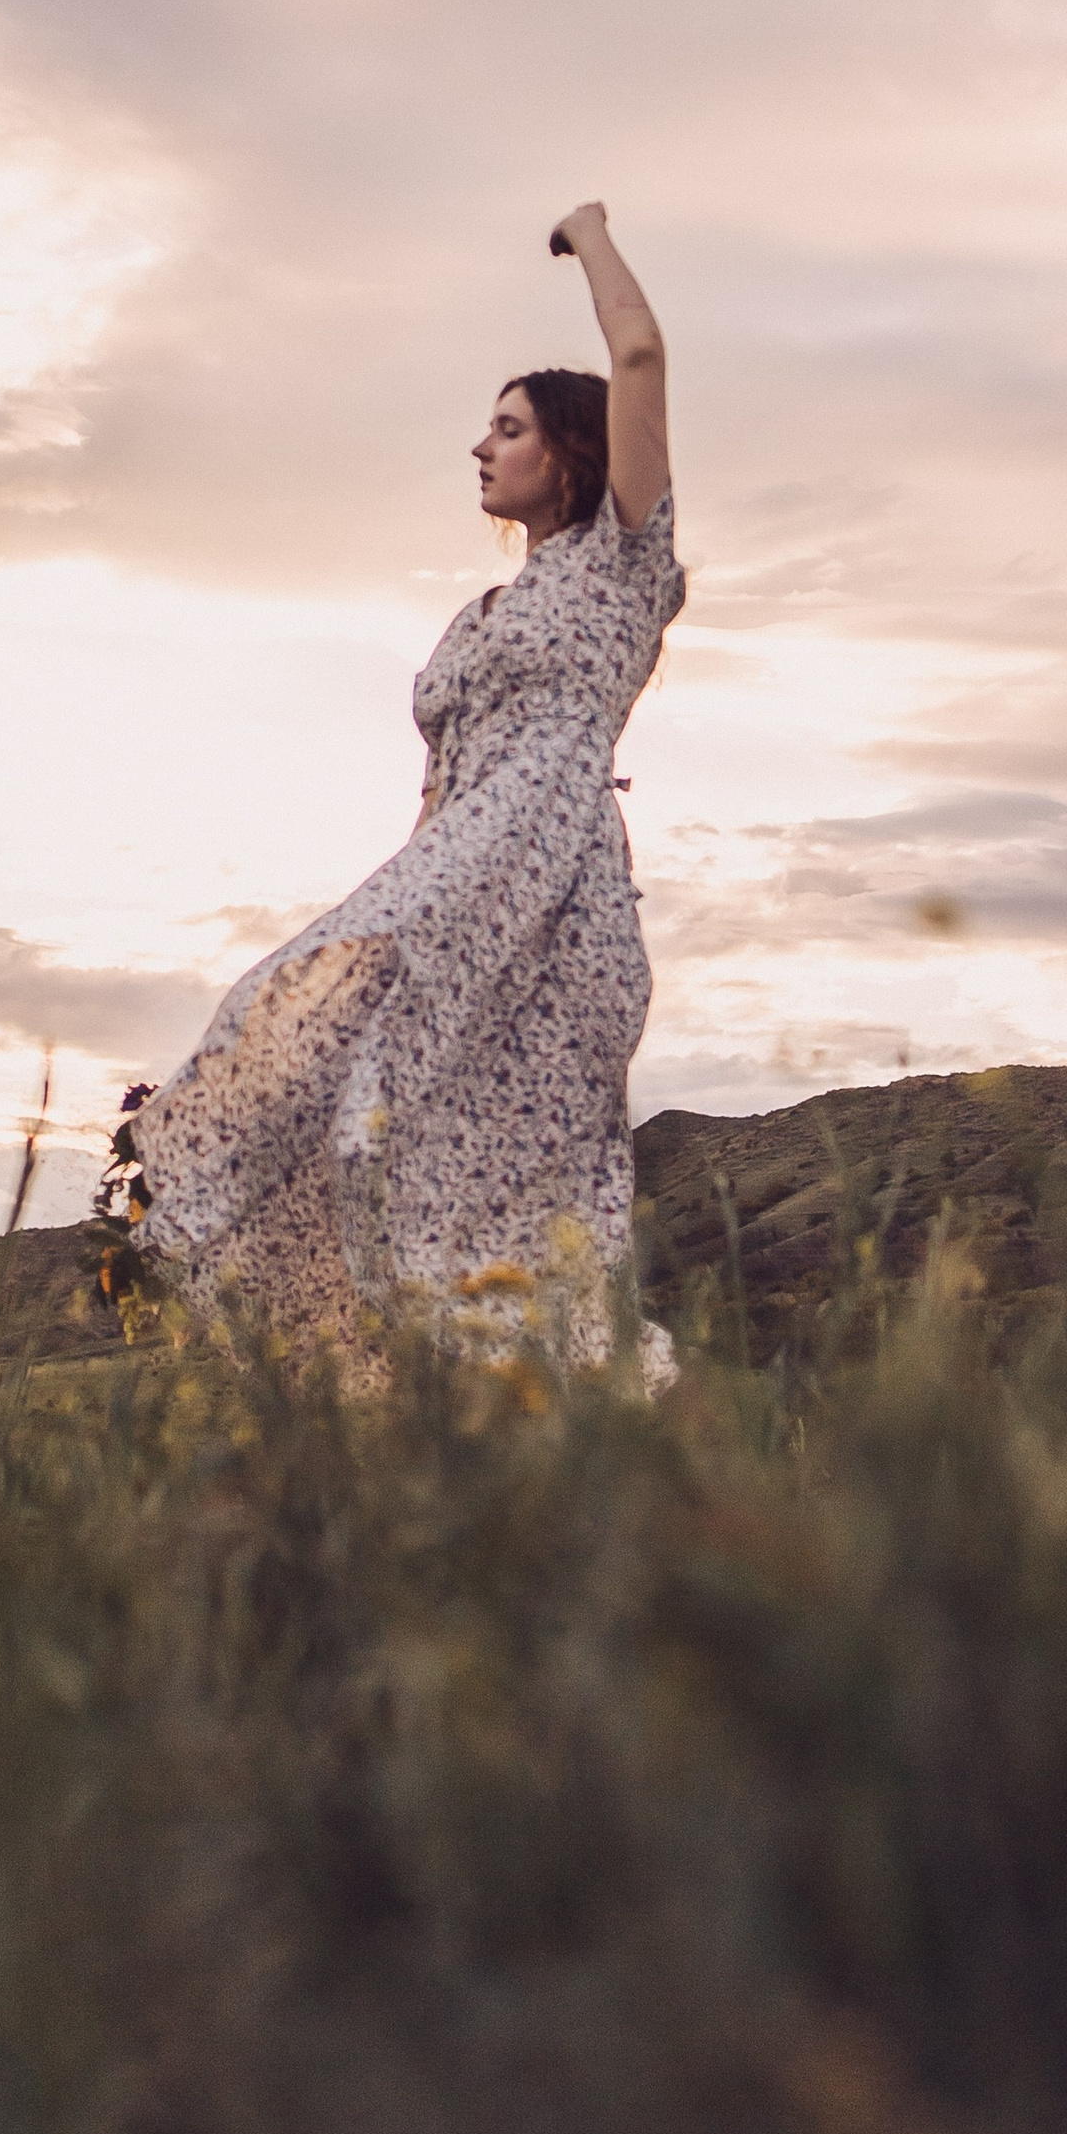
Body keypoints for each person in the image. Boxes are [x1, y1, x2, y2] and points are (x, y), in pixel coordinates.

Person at [129, 203, 684, 1365]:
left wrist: (585, 236)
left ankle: (569, 1408)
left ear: (569, 450)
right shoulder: (476, 618)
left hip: (562, 906)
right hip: (447, 891)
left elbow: (640, 355)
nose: (481, 450)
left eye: (508, 428)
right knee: (333, 1078)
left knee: (531, 1191)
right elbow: (436, 798)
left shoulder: (620, 563)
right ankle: (395, 1393)